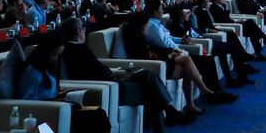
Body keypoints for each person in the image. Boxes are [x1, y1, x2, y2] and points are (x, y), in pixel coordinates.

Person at [58, 17, 193, 131]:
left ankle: (169, 113)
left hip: (109, 82)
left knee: (147, 75)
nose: (85, 31)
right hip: (111, 86)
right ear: (78, 31)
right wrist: (112, 74)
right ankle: (170, 113)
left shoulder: (67, 50)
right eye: (83, 28)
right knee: (150, 89)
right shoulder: (80, 50)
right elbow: (98, 71)